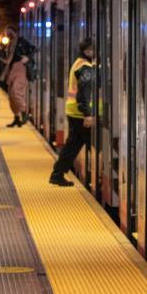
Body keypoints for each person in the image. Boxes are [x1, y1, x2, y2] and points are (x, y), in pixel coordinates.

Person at [50, 39, 98, 187]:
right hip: (80, 114)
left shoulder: (79, 63)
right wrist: (87, 114)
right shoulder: (85, 68)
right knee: (96, 145)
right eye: (94, 50)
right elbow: (83, 93)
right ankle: (105, 177)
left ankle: (57, 174)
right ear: (88, 51)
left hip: (75, 112)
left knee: (73, 145)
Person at [0, 25, 35, 127]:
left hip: (21, 68)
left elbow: (34, 49)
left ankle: (24, 113)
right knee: (11, 95)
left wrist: (28, 57)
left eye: (8, 32)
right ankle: (16, 117)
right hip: (11, 69)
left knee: (16, 92)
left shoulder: (21, 41)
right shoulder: (9, 43)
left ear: (13, 31)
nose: (7, 34)